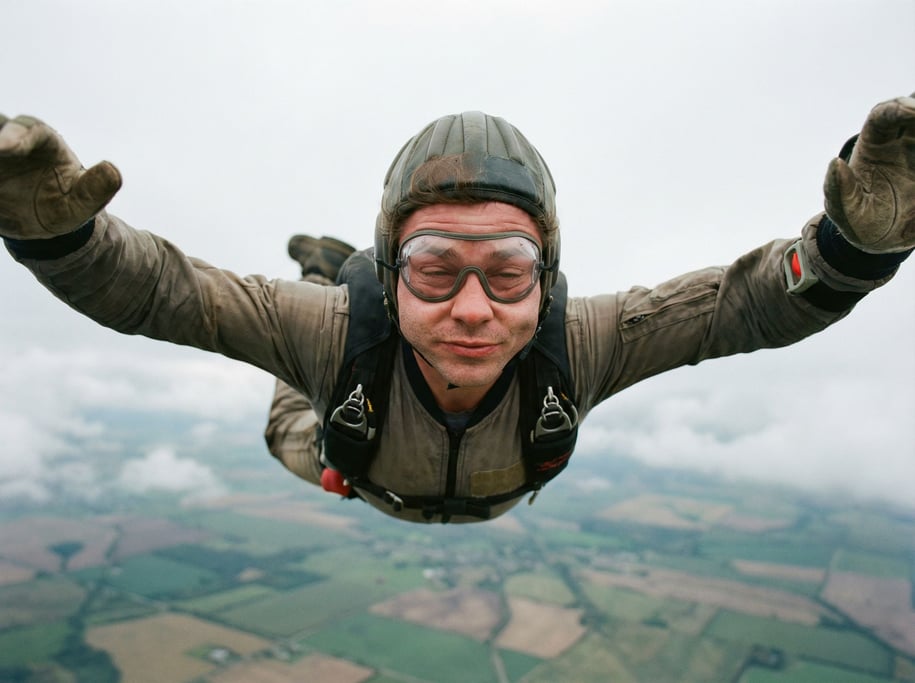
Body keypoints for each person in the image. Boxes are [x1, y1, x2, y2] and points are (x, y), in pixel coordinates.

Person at [1, 99, 913, 524]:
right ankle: (322, 275)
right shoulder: (335, 331)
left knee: (316, 358)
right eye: (434, 269)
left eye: (508, 271)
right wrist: (63, 240)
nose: (472, 310)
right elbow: (165, 295)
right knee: (297, 415)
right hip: (347, 451)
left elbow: (738, 307)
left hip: (436, 458)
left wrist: (851, 249)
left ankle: (325, 274)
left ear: (547, 275)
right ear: (391, 270)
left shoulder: (584, 341)